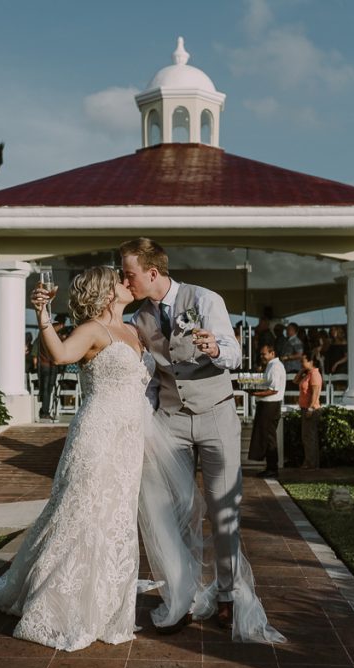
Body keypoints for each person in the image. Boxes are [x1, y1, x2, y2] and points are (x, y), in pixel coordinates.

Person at [0, 267, 150, 652]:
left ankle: (104, 606)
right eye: (120, 279)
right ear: (106, 292)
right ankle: (61, 606)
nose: (126, 282)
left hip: (128, 443)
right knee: (80, 512)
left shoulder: (135, 331)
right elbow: (59, 354)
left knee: (115, 517)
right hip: (97, 436)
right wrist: (41, 316)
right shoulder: (92, 330)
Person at [120, 237, 284, 645]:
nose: (126, 280)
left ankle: (228, 594)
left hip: (216, 416)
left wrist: (214, 348)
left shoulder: (205, 298)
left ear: (152, 273)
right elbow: (152, 379)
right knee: (175, 512)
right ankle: (183, 595)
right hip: (171, 421)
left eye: (129, 273)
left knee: (223, 510)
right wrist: (142, 417)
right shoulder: (138, 319)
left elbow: (231, 351)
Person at [247, 344, 286, 478]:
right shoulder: (271, 365)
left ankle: (272, 468)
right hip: (267, 405)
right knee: (266, 436)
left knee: (269, 438)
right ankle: (270, 467)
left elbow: (273, 389)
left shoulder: (275, 367)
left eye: (264, 354)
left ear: (272, 353)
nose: (262, 356)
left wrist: (256, 393)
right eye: (261, 354)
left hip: (270, 405)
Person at [33, 314, 66, 420]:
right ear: (61, 325)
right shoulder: (53, 335)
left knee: (46, 388)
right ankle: (45, 412)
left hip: (46, 364)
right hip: (48, 364)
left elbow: (36, 348)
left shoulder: (44, 332)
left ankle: (44, 410)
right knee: (47, 389)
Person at [295, 353, 323, 469]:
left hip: (311, 409)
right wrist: (301, 371)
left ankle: (311, 463)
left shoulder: (315, 374)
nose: (301, 363)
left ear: (311, 361)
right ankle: (310, 462)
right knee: (306, 436)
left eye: (303, 361)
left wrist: (311, 408)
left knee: (309, 437)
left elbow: (315, 393)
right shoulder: (308, 374)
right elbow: (295, 381)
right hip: (304, 408)